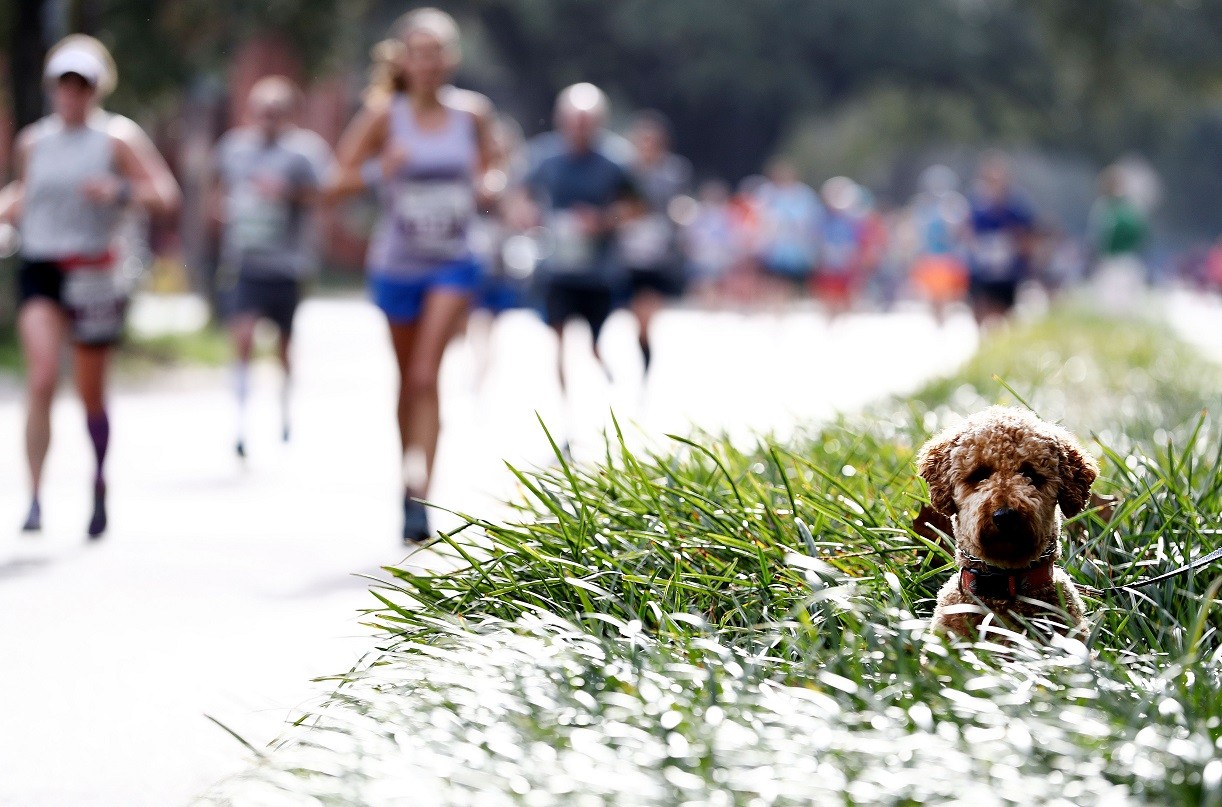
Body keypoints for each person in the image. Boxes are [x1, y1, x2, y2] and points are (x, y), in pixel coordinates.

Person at [327, 8, 500, 544]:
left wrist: (490, 184)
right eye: (417, 52)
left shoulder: (472, 114)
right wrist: (384, 169)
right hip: (397, 263)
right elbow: (338, 180)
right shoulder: (385, 115)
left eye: (436, 52)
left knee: (426, 375)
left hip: (453, 259)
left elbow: (495, 165)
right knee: (407, 382)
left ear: (450, 59)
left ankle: (422, 489)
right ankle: (408, 475)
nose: (426, 63)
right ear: (404, 60)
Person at [0, 35, 180, 538]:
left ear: (96, 89)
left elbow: (165, 194)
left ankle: (98, 479)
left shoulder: (117, 139)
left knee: (90, 392)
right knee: (39, 379)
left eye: (81, 85)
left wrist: (119, 189)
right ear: (53, 88)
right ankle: (34, 497)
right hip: (42, 265)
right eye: (64, 85)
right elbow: (26, 191)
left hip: (95, 272)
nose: (71, 95)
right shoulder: (33, 141)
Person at [211, 76, 332, 457]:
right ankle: (240, 422)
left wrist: (287, 193)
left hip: (288, 265)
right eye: (261, 110)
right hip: (245, 261)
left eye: (276, 111)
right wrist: (223, 210)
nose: (268, 118)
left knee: (283, 345)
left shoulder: (305, 153)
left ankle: (284, 408)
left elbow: (326, 195)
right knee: (242, 337)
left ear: (290, 115)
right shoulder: (232, 148)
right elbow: (216, 188)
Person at [524, 83, 636, 395]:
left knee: (595, 342)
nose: (579, 129)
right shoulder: (543, 156)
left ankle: (610, 393)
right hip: (556, 266)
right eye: (573, 121)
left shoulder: (617, 159)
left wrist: (603, 220)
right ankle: (564, 409)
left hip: (599, 270)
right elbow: (520, 196)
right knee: (557, 339)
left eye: (587, 122)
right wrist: (529, 216)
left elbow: (637, 206)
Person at [620, 111, 691, 376]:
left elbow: (677, 207)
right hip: (629, 252)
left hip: (658, 254)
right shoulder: (625, 171)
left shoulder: (673, 172)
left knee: (647, 312)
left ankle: (645, 355)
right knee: (634, 313)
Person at [964, 152, 1036, 325]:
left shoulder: (1017, 207)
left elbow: (1029, 235)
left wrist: (1016, 247)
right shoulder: (976, 206)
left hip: (1008, 272)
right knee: (980, 309)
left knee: (1005, 314)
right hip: (981, 270)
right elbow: (967, 232)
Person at [754, 159, 822, 302]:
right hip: (773, 246)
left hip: (796, 246)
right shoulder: (767, 193)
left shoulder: (804, 194)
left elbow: (811, 221)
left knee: (794, 281)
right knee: (774, 280)